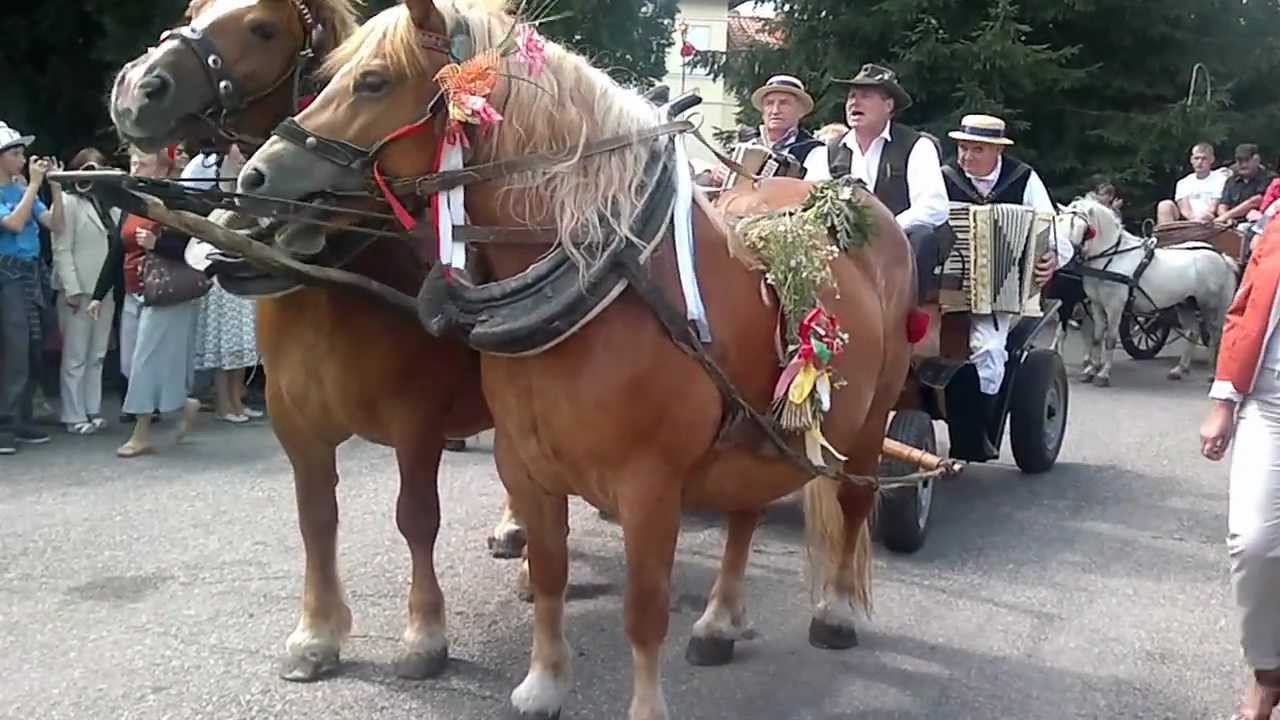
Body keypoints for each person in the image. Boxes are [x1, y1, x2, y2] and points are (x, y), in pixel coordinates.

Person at [939, 114, 1071, 455]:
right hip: (944, 288)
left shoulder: (1022, 178)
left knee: (989, 350)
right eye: (962, 147)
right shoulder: (944, 177)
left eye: (977, 149)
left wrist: (1052, 258)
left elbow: (1054, 231)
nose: (966, 156)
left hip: (1002, 292)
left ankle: (978, 432)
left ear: (997, 150)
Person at [1199, 219, 1280, 720]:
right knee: (1253, 543)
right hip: (1271, 405)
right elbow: (1245, 310)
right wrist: (1224, 401)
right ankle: (1268, 672)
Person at [803, 62, 952, 306]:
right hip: (844, 244)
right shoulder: (827, 153)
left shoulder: (917, 146)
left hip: (898, 244)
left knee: (923, 237)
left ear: (888, 105)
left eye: (866, 96)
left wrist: (886, 229)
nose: (854, 102)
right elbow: (809, 204)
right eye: (852, 96)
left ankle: (907, 315)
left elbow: (933, 206)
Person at [101, 147, 203, 458]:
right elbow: (117, 249)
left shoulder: (175, 199)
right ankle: (183, 404)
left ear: (161, 169)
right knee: (134, 363)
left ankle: (141, 432)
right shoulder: (132, 201)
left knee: (145, 361)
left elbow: (196, 242)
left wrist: (158, 243)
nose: (135, 168)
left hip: (163, 290)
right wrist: (98, 294)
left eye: (142, 163)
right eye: (132, 162)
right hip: (135, 290)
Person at [0, 121, 63, 455]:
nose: (23, 160)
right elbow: (13, 223)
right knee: (15, 347)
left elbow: (55, 224)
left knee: (34, 346)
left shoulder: (22, 189)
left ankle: (21, 417)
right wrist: (34, 185)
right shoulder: (13, 191)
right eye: (15, 153)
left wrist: (55, 189)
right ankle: (4, 424)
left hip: (31, 271)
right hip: (6, 272)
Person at [51, 148, 118, 435]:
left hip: (104, 291)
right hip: (79, 290)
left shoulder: (109, 205)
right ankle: (73, 414)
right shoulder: (68, 202)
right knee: (75, 356)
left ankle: (92, 408)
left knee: (98, 354)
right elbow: (61, 248)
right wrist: (72, 288)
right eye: (88, 169)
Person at [708, 74, 823, 187]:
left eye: (784, 103)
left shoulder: (815, 151)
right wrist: (717, 176)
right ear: (762, 111)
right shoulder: (749, 146)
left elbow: (816, 192)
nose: (775, 110)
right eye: (769, 103)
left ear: (801, 111)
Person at [1157, 141, 1226, 224]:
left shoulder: (1221, 179)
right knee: (1164, 205)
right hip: (1189, 220)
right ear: (1191, 160)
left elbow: (1213, 207)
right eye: (1196, 158)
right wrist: (1193, 218)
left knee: (1204, 216)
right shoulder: (1183, 183)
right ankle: (1167, 232)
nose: (1199, 162)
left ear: (1212, 160)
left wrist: (1203, 217)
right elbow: (1184, 209)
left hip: (1211, 219)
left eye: (1204, 159)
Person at [1217, 144, 1275, 226]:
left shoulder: (1269, 178)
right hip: (1231, 223)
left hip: (1256, 224)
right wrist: (1226, 218)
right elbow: (1223, 204)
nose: (1242, 164)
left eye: (1246, 160)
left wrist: (1226, 216)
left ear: (1256, 160)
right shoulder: (1231, 180)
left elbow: (1256, 201)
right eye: (1239, 161)